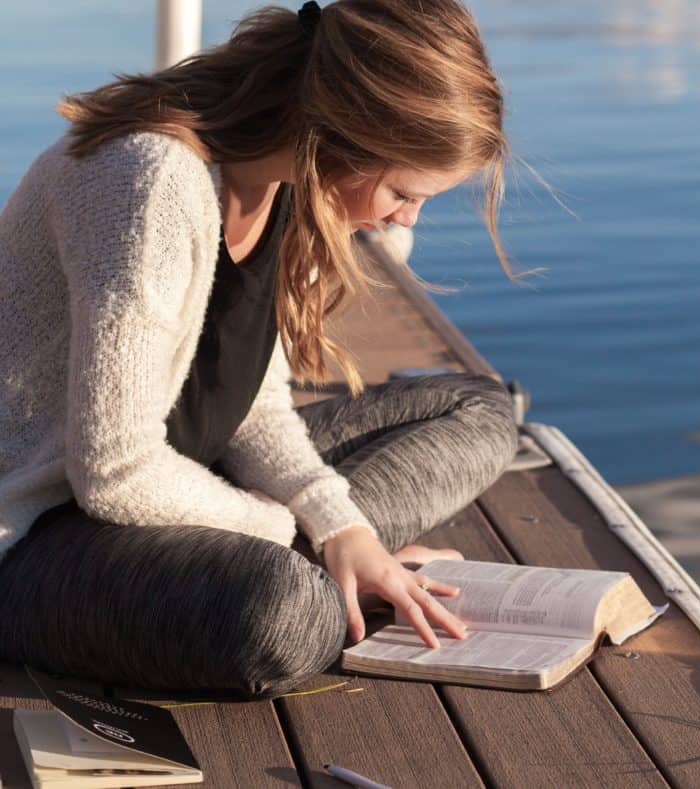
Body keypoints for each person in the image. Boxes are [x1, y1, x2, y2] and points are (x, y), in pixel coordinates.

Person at [0, 0, 521, 699]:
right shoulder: (150, 182)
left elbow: (252, 408)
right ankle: (324, 577)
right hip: (40, 532)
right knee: (284, 614)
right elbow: (114, 472)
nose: (405, 218)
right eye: (403, 191)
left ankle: (346, 566)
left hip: (183, 484)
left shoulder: (288, 188)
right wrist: (295, 533)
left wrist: (342, 525)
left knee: (478, 408)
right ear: (342, 134)